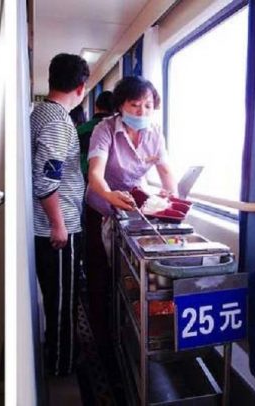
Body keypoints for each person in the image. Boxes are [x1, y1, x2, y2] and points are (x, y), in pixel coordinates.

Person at [84, 76, 176, 359]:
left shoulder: (155, 134)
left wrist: (173, 199)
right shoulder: (105, 130)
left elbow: (166, 171)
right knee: (100, 274)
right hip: (100, 207)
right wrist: (110, 196)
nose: (142, 112)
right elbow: (95, 175)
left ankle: (128, 329)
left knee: (130, 276)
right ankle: (101, 342)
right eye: (135, 105)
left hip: (131, 211)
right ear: (121, 106)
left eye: (148, 106)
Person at [31, 53, 89, 376]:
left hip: (51, 225)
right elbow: (46, 180)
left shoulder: (41, 112)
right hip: (56, 230)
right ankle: (61, 365)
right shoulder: (58, 122)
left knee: (57, 299)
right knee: (63, 302)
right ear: (82, 88)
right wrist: (59, 225)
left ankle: (58, 356)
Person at [77, 90, 114, 179]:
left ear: (95, 107)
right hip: (111, 180)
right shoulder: (119, 130)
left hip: (84, 178)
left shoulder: (81, 130)